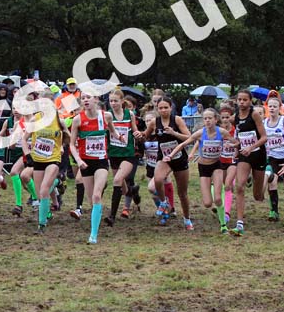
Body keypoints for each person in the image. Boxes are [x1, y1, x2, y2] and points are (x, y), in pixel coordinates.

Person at [164, 108, 233, 233]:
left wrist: (233, 146)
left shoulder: (222, 132)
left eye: (210, 118)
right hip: (203, 167)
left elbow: (235, 142)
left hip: (217, 165)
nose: (207, 121)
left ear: (215, 119)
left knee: (218, 199)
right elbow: (183, 144)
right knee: (207, 203)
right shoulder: (200, 133)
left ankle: (223, 225)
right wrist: (171, 155)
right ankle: (213, 188)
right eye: (205, 118)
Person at [69, 93, 124, 244]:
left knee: (97, 196)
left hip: (101, 161)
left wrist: (119, 136)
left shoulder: (106, 116)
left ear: (96, 99)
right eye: (83, 98)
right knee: (92, 201)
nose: (85, 100)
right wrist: (79, 160)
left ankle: (93, 235)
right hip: (85, 163)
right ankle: (96, 221)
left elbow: (112, 130)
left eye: (88, 97)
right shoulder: (78, 119)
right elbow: (71, 144)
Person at [21, 90, 69, 233]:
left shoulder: (58, 120)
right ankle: (57, 183)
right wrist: (28, 154)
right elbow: (24, 139)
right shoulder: (35, 119)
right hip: (37, 159)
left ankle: (41, 225)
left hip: (53, 159)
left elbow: (68, 137)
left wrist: (61, 145)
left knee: (43, 191)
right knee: (39, 192)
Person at [141, 97, 192, 228]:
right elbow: (145, 136)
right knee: (157, 179)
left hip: (179, 157)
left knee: (182, 193)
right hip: (164, 157)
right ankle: (164, 202)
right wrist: (138, 135)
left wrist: (174, 133)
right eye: (160, 108)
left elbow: (189, 137)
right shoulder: (154, 122)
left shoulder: (177, 120)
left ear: (171, 108)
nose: (163, 110)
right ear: (157, 109)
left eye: (166, 107)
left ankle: (187, 219)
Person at [229, 89, 267, 236]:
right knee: (239, 186)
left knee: (257, 196)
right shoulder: (236, 116)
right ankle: (239, 223)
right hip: (244, 156)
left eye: (245, 100)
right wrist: (236, 145)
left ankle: (265, 179)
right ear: (236, 101)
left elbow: (264, 138)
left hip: (258, 155)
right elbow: (238, 135)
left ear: (250, 101)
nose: (242, 102)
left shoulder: (254, 114)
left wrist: (251, 147)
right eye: (240, 100)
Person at [104, 89, 142, 226]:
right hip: (114, 153)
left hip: (128, 153)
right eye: (111, 101)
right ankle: (133, 191)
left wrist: (138, 134)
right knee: (123, 188)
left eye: (115, 101)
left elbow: (134, 129)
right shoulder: (107, 115)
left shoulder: (129, 114)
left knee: (117, 180)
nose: (113, 103)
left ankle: (112, 217)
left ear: (121, 101)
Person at [263, 96, 284, 221]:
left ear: (279, 108)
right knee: (271, 182)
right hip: (272, 157)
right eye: (270, 106)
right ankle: (274, 212)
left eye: (274, 106)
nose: (272, 108)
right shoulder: (264, 123)